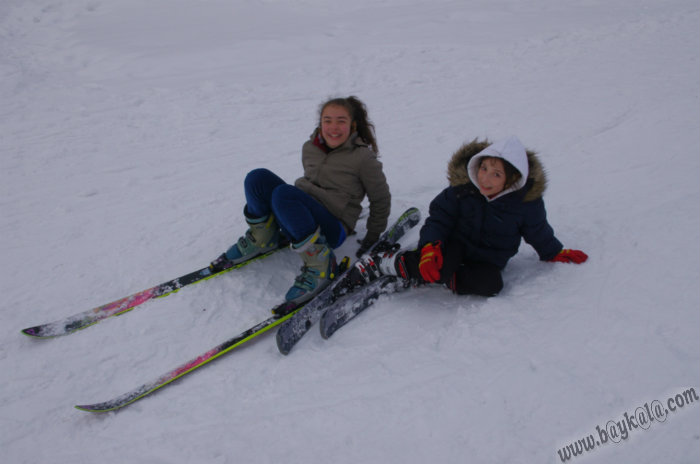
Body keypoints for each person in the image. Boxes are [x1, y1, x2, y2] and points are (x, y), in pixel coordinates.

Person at [210, 96, 391, 305]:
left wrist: (373, 237)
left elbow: (381, 198)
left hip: (333, 226)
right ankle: (263, 237)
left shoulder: (363, 158)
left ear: (353, 125)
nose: (333, 127)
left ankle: (321, 264)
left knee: (284, 194)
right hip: (301, 214)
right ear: (320, 123)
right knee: (257, 178)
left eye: (341, 121)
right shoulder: (310, 148)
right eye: (327, 120)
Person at [353, 136, 587, 296]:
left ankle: (434, 276)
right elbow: (439, 218)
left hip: (488, 259)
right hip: (455, 245)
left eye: (496, 174)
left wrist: (553, 251)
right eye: (484, 168)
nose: (485, 178)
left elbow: (538, 230)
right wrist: (430, 246)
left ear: (513, 179)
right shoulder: (464, 190)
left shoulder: (525, 204)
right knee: (438, 265)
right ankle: (384, 263)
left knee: (491, 285)